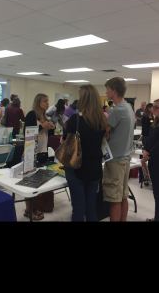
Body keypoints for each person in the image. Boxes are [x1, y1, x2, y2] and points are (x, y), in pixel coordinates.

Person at [61, 84, 106, 222]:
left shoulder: (76, 119)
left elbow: (67, 141)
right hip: (95, 166)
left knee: (78, 206)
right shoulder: (102, 120)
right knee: (91, 205)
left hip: (76, 166)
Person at [103, 77, 135, 222]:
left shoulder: (116, 110)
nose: (106, 92)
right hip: (125, 157)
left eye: (108, 90)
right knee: (123, 196)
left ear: (114, 91)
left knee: (114, 199)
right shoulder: (128, 107)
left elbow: (104, 132)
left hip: (115, 159)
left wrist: (106, 132)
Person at [24, 93, 55, 220]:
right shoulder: (32, 115)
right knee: (30, 182)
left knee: (39, 181)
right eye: (45, 101)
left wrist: (51, 127)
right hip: (32, 152)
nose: (48, 103)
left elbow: (48, 134)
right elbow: (27, 133)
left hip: (43, 152)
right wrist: (41, 126)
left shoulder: (46, 116)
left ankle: (36, 206)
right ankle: (28, 209)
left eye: (48, 101)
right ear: (38, 103)